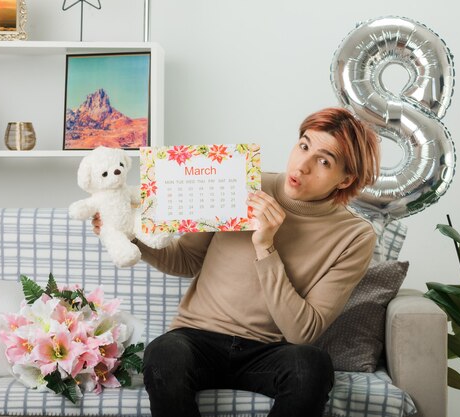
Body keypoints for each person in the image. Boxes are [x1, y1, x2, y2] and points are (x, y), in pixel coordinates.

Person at [92, 107, 380, 417]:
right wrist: (130, 235)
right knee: (163, 353)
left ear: (345, 179)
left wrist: (266, 246)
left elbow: (303, 332)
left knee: (312, 365)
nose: (304, 165)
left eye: (324, 161)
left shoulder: (355, 235)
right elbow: (187, 261)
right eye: (304, 145)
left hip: (268, 351)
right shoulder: (240, 182)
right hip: (195, 338)